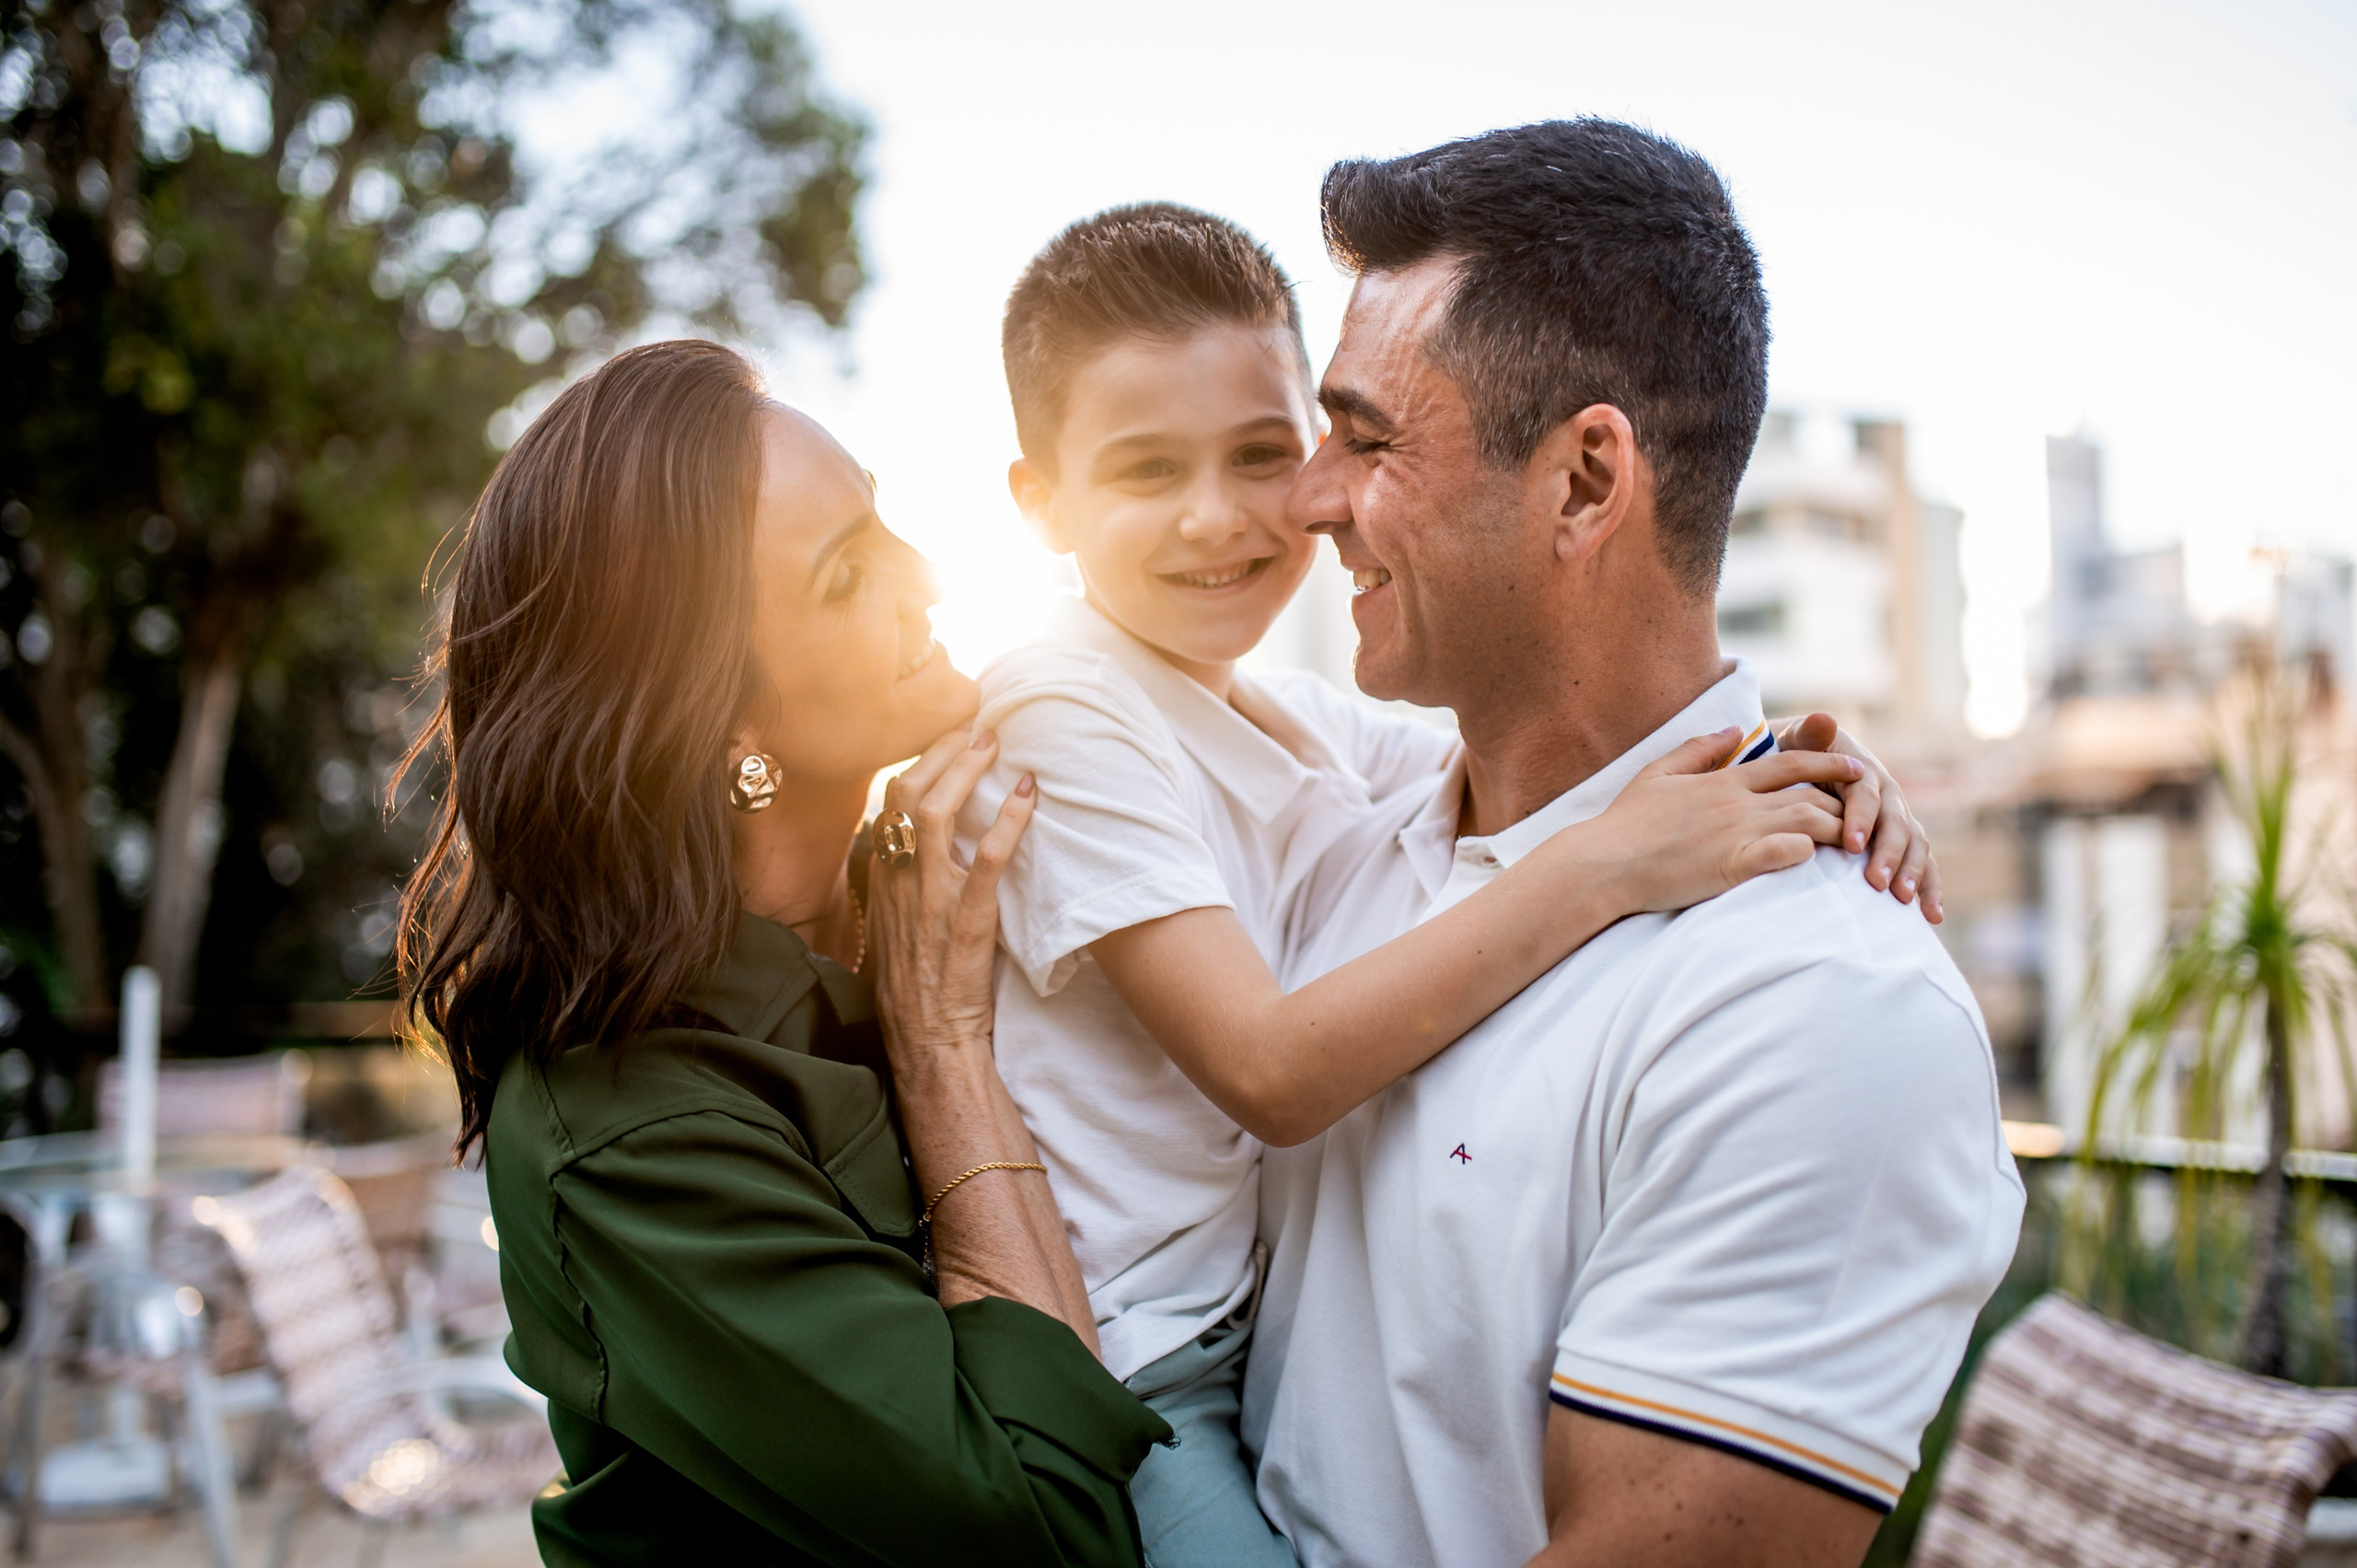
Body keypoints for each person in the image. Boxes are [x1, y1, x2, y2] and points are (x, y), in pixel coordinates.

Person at [958, 204, 1944, 1568]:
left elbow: (1577, 763)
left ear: (1589, 482)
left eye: (1307, 447)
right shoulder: (1064, 702)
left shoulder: (1299, 732)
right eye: (1144, 471)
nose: (1276, 504)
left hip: (1206, 1347)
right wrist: (1611, 864)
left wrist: (1811, 771)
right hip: (1139, 1368)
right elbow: (1269, 1063)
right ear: (1041, 504)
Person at [1237, 121, 2027, 1568]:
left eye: (1366, 440)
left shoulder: (1818, 1008)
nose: (1305, 502)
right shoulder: (1326, 819)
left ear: (1588, 482)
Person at [393, 339, 1171, 1567]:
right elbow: (1048, 1541)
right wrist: (946, 1061)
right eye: (846, 573)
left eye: (884, 517)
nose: (924, 573)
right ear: (725, 717)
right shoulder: (632, 1126)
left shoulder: (921, 910)